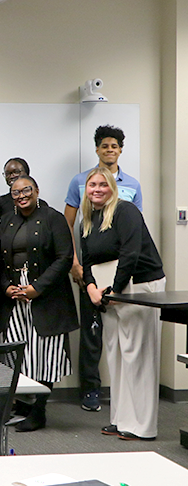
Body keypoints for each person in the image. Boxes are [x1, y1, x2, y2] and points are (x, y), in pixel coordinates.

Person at [80, 166, 164, 441]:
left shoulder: (126, 211)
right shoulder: (88, 219)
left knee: (137, 355)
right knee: (116, 355)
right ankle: (121, 419)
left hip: (138, 287)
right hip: (108, 293)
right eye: (92, 185)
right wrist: (92, 289)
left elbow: (130, 253)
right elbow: (88, 261)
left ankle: (142, 426)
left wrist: (114, 290)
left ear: (112, 188)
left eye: (103, 185)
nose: (97, 189)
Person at [63, 125, 143, 413]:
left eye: (114, 146)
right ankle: (90, 390)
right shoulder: (80, 182)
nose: (110, 150)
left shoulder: (132, 185)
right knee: (92, 333)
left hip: (124, 271)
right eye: (104, 146)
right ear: (97, 149)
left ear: (121, 149)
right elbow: (69, 225)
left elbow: (136, 233)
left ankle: (129, 395)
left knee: (128, 333)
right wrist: (76, 263)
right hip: (92, 270)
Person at [0, 175, 78, 432]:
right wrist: (5, 286)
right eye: (15, 193)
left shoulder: (53, 218)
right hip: (15, 297)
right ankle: (22, 403)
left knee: (44, 353)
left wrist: (37, 288)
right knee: (18, 352)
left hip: (45, 295)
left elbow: (64, 258)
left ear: (37, 190)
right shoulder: (7, 220)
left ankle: (39, 410)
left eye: (26, 190)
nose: (21, 196)